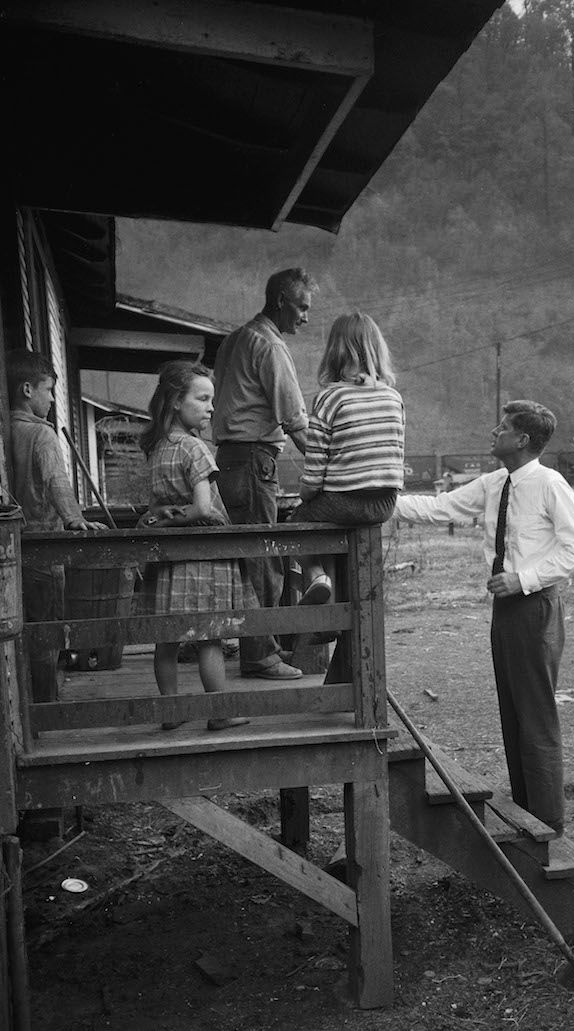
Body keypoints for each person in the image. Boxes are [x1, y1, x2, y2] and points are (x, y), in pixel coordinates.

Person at [395, 401, 574, 835]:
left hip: (535, 606)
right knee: (512, 711)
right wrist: (385, 502)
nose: (493, 432)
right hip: (504, 609)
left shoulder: (549, 484)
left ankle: (549, 821)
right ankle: (526, 810)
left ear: (521, 440)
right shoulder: (495, 483)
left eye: (502, 427)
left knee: (535, 712)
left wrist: (523, 579)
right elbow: (442, 507)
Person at [212, 267, 317, 680]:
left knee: (247, 559)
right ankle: (261, 656)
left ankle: (255, 648)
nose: (305, 317)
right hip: (254, 461)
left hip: (230, 458)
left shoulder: (234, 339)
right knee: (262, 561)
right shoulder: (269, 346)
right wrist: (327, 466)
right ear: (280, 302)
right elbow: (293, 418)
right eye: (302, 307)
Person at [139, 360, 254, 732]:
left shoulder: (156, 448)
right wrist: (185, 516)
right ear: (175, 400)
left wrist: (165, 518)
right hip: (204, 555)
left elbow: (155, 507)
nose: (209, 407)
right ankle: (219, 713)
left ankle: (171, 711)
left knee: (167, 639)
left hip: (168, 558)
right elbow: (204, 507)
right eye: (202, 398)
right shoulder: (195, 448)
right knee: (210, 638)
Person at [7, 348, 105, 702]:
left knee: (20, 633)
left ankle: (26, 707)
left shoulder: (7, 432)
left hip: (13, 547)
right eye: (49, 390)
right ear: (27, 390)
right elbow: (56, 481)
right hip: (42, 546)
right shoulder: (42, 434)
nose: (52, 399)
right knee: (45, 634)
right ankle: (46, 708)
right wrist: (74, 518)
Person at [290, 312, 406, 606]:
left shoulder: (330, 398)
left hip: (342, 502)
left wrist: (305, 498)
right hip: (384, 505)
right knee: (330, 524)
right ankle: (334, 603)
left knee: (296, 525)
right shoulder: (393, 398)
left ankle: (318, 578)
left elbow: (314, 475)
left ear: (334, 351)